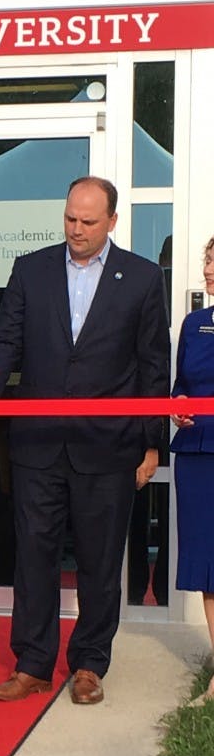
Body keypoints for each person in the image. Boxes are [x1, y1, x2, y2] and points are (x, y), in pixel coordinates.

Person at [0, 176, 170, 705]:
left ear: (112, 222)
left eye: (89, 222)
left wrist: (151, 443)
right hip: (38, 444)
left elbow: (154, 364)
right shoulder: (32, 268)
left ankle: (89, 664)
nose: (77, 230)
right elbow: (7, 338)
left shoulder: (140, 277)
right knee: (33, 557)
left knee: (99, 560)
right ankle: (33, 664)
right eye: (70, 219)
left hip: (107, 446)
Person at [171, 235, 214, 706]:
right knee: (209, 566)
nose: (208, 268)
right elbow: (182, 385)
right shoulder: (195, 323)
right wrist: (178, 405)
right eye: (207, 259)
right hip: (199, 453)